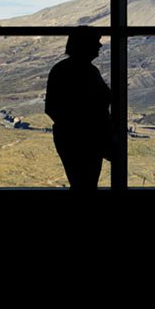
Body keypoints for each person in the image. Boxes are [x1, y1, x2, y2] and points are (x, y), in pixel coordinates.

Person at [45, 26, 113, 189]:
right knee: (86, 184)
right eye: (96, 42)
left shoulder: (64, 69)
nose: (100, 46)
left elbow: (52, 108)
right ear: (85, 44)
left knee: (82, 184)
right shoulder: (84, 71)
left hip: (75, 138)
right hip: (85, 139)